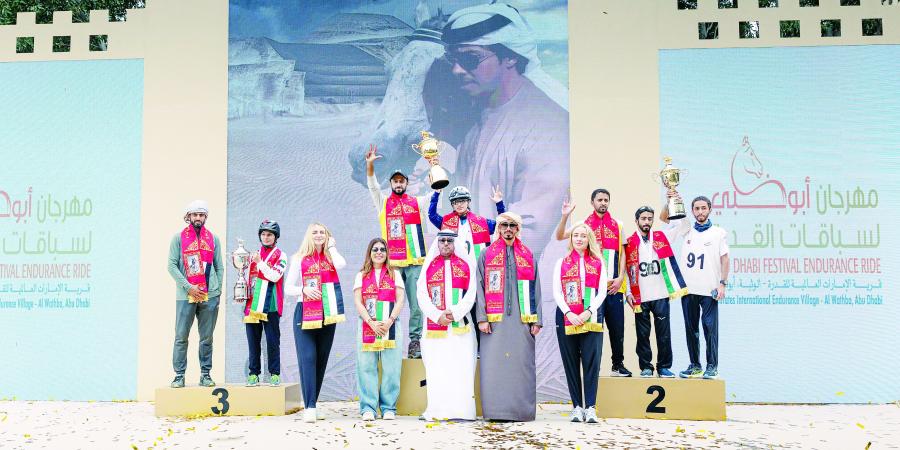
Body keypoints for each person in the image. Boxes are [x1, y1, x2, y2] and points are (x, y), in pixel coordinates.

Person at [442, 3, 569, 265]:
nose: (456, 70)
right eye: (452, 60)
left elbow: (531, 230)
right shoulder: (478, 118)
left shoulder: (547, 126)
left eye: (470, 59)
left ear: (510, 57)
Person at [556, 189, 632, 377]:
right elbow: (559, 236)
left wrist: (621, 277)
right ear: (592, 202)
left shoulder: (618, 225)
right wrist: (565, 217)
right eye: (600, 200)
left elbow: (623, 254)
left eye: (606, 200)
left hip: (614, 287)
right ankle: (593, 368)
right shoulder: (583, 225)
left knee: (617, 327)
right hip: (593, 289)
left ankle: (617, 364)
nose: (603, 203)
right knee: (593, 330)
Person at [475, 212, 542, 422]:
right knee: (494, 366)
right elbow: (479, 287)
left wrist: (537, 319)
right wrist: (482, 317)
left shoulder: (528, 255)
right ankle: (496, 411)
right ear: (498, 228)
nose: (508, 229)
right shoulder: (486, 254)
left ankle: (521, 411)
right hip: (494, 323)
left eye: (513, 225)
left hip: (522, 321)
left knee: (521, 366)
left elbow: (536, 287)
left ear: (518, 229)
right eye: (504, 224)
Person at [365, 145, 430, 359]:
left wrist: (434, 165)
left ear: (406, 183)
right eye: (395, 181)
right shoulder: (383, 202)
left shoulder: (417, 203)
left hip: (415, 262)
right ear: (391, 183)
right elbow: (373, 187)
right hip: (392, 264)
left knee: (416, 304)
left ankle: (415, 341)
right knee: (387, 302)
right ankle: (386, 337)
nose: (399, 184)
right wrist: (370, 165)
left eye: (402, 181)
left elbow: (436, 191)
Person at [661, 193, 730, 380]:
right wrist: (673, 199)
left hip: (710, 290)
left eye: (703, 208)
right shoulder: (687, 228)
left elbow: (725, 259)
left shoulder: (718, 232)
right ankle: (695, 365)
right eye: (697, 208)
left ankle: (712, 366)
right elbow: (664, 218)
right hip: (689, 290)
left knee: (710, 330)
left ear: (709, 209)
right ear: (692, 211)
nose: (700, 211)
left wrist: (723, 284)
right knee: (691, 330)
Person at [285, 223, 347, 423]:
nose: (319, 235)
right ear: (308, 236)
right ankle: (309, 406)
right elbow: (288, 288)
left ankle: (313, 403)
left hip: (329, 314)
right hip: (305, 312)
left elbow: (342, 265)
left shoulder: (331, 258)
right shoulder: (298, 259)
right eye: (315, 232)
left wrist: (332, 247)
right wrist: (303, 289)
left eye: (322, 232)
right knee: (308, 358)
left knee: (321, 360)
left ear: (328, 236)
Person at [416, 230, 478, 421]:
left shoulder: (465, 265)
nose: (445, 244)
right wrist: (437, 316)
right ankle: (437, 411)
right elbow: (422, 295)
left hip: (462, 327)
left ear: (455, 243)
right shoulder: (428, 267)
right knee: (437, 368)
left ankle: (463, 411)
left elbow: (472, 294)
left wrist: (455, 312)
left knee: (462, 367)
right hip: (435, 328)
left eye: (449, 241)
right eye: (442, 240)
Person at [624, 206, 688, 378]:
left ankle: (664, 367)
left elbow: (682, 227)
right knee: (643, 335)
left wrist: (673, 203)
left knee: (664, 334)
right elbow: (625, 270)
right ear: (636, 220)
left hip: (660, 295)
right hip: (640, 296)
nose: (647, 222)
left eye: (650, 219)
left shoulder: (662, 236)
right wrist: (628, 293)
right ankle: (646, 366)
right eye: (643, 218)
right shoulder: (629, 242)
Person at [553, 223, 607, 423]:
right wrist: (569, 313)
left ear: (588, 239)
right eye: (575, 235)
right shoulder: (562, 262)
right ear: (571, 239)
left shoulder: (599, 261)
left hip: (591, 318)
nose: (579, 239)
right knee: (571, 363)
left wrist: (588, 312)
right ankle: (577, 406)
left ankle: (590, 407)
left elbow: (602, 292)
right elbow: (557, 291)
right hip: (567, 318)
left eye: (583, 236)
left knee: (592, 363)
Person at [167, 200, 223, 388]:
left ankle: (205, 374)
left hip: (210, 295)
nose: (198, 218)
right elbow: (171, 266)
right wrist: (188, 286)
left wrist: (218, 289)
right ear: (188, 216)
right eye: (194, 214)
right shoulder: (178, 238)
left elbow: (219, 266)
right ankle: (179, 375)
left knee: (207, 337)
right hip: (186, 295)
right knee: (181, 336)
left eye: (201, 214)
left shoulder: (213, 239)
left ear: (205, 217)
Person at [353, 238, 405, 421]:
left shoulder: (395, 274)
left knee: (391, 368)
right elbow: (358, 301)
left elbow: (400, 299)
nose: (379, 252)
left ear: (387, 253)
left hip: (390, 325)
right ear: (369, 252)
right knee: (366, 367)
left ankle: (389, 407)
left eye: (382, 249)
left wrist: (390, 320)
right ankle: (368, 408)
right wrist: (370, 322)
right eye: (375, 249)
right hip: (368, 325)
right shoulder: (361, 275)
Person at [243, 220, 287, 387]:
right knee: (252, 341)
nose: (266, 237)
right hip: (252, 305)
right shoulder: (252, 255)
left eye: (269, 234)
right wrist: (242, 293)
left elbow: (274, 276)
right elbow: (247, 278)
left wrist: (260, 262)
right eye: (263, 234)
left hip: (271, 304)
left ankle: (274, 374)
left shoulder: (281, 255)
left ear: (276, 237)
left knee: (272, 340)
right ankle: (253, 373)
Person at [428, 185, 506, 260]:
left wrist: (499, 203)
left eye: (462, 201)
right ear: (452, 205)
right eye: (455, 202)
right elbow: (432, 215)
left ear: (468, 202)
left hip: (475, 264)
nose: (459, 204)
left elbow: (501, 225)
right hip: (455, 265)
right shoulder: (446, 222)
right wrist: (437, 193)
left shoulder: (481, 222)